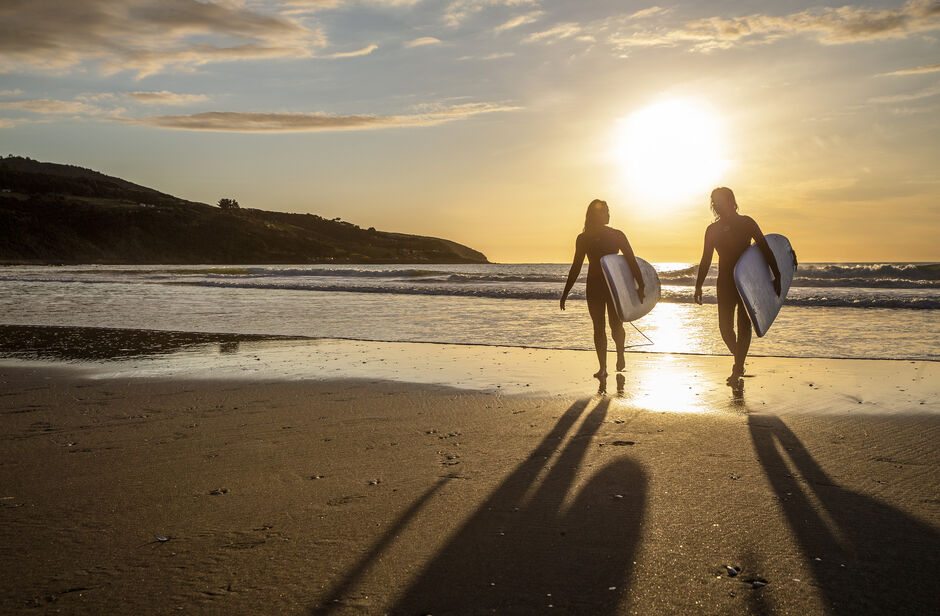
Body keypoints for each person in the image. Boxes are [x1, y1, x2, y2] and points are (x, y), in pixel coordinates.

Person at [694, 187, 780, 381]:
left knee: (744, 325)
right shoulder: (712, 229)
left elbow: (765, 249)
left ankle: (738, 366)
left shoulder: (746, 222)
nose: (717, 205)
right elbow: (706, 259)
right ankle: (739, 359)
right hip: (724, 282)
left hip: (746, 282)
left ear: (731, 201)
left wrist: (778, 276)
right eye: (714, 202)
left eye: (720, 200)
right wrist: (698, 285)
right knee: (725, 328)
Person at [561, 199, 645, 378]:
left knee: (616, 325)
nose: (607, 214)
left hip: (614, 287)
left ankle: (620, 353)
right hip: (594, 287)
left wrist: (641, 284)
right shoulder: (583, 238)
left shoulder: (617, 235)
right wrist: (566, 292)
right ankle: (603, 368)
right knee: (598, 327)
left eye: (608, 211)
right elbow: (576, 266)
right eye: (603, 211)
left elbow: (631, 260)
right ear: (593, 215)